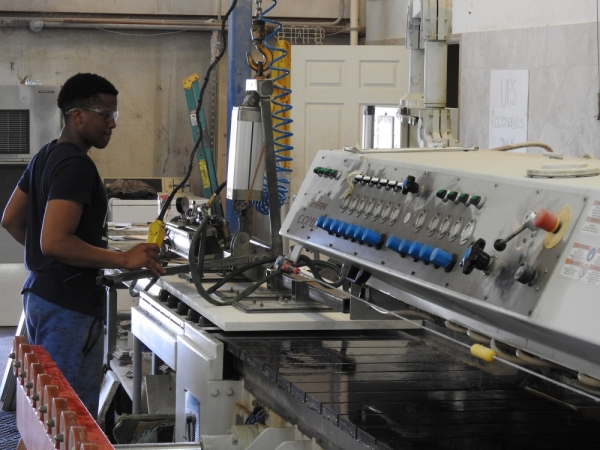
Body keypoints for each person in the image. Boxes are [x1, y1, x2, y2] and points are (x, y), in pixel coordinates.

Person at [1, 73, 165, 420]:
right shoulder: (76, 165)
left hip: (41, 295)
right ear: (78, 115)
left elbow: (12, 220)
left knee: (45, 412)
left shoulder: (46, 156)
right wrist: (122, 258)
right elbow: (54, 240)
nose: (112, 124)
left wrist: (50, 263)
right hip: (68, 308)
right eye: (105, 115)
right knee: (69, 419)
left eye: (113, 115)